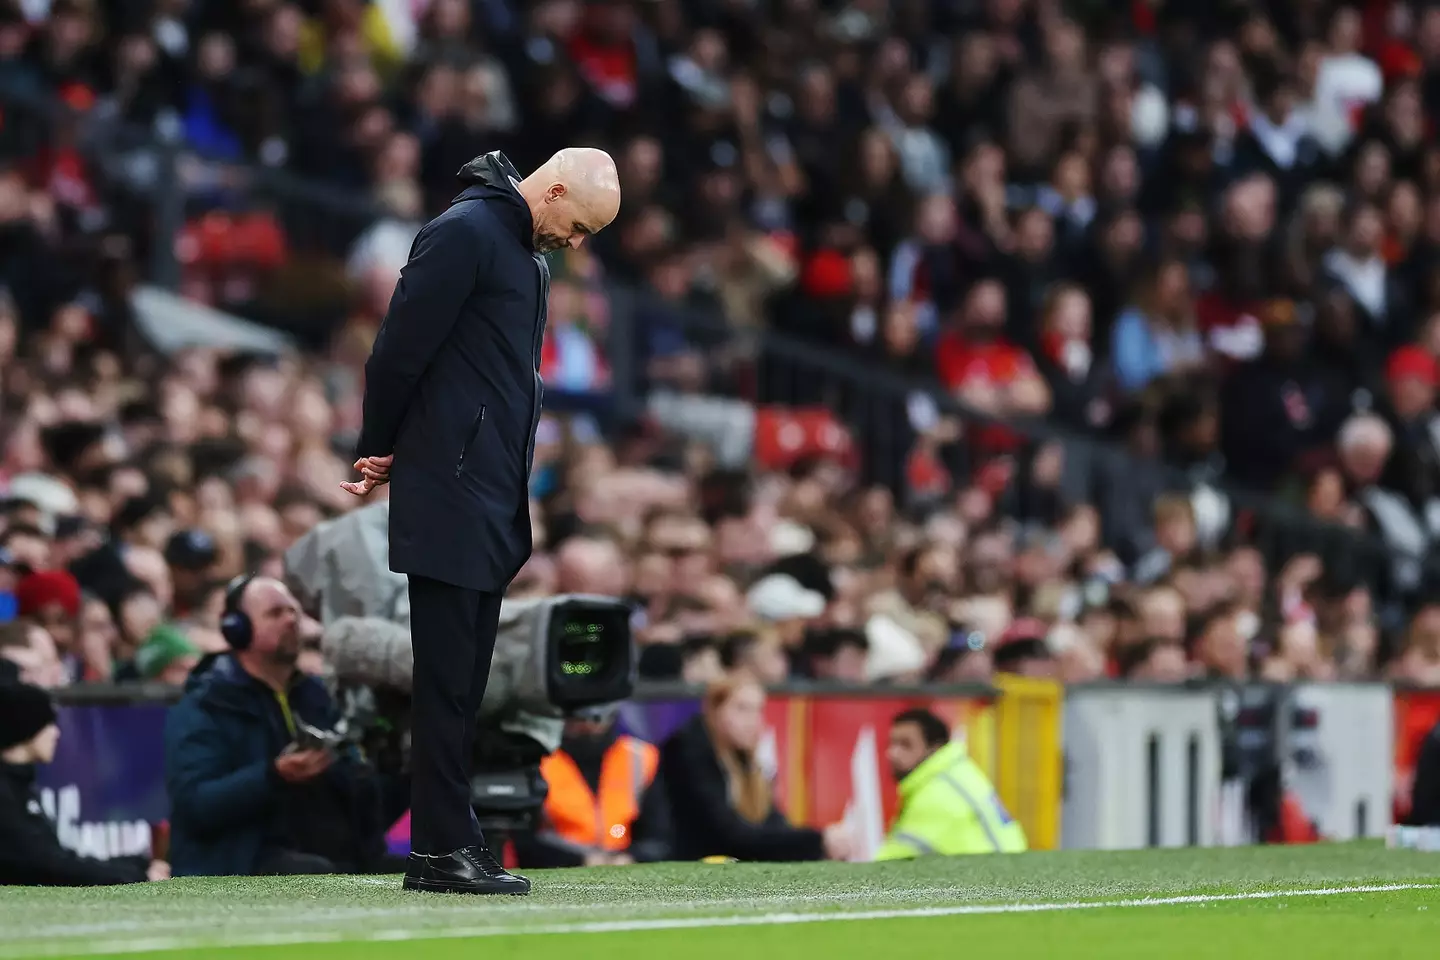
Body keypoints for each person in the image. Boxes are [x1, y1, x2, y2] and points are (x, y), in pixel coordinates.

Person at [343, 146, 620, 896]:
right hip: (453, 486)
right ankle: (438, 850)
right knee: (445, 680)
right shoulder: (465, 232)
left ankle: (450, 841)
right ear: (554, 188)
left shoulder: (523, 258)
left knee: (464, 683)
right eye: (580, 223)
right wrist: (380, 445)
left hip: (487, 489)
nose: (577, 242)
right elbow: (400, 347)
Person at [164, 575, 391, 877]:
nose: (290, 620)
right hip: (241, 863)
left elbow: (364, 803)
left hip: (332, 854)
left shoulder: (317, 695)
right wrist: (274, 776)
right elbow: (197, 805)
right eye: (275, 613)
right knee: (316, 873)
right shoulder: (207, 704)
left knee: (418, 873)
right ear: (237, 629)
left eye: (293, 611)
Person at [659, 676, 851, 862]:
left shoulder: (743, 757)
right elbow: (731, 836)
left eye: (758, 710)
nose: (752, 720)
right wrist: (817, 841)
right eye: (742, 709)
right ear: (715, 710)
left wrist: (820, 839)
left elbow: (771, 822)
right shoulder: (687, 752)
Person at [1, 680, 170, 885]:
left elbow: (53, 858)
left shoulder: (20, 787)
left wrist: (135, 865)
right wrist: (136, 876)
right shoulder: (6, 793)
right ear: (27, 728)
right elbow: (44, 865)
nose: (56, 733)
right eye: (49, 724)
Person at [514, 704, 672, 868]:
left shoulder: (639, 756)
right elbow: (524, 840)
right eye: (580, 717)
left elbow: (658, 838)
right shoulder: (538, 760)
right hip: (561, 865)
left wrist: (631, 857)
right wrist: (577, 860)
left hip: (622, 863)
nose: (587, 723)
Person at [875, 708, 1027, 859]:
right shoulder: (957, 773)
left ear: (933, 748)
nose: (892, 753)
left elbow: (890, 862)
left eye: (905, 745)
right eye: (892, 744)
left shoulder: (935, 795)